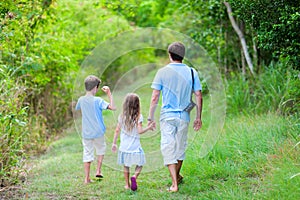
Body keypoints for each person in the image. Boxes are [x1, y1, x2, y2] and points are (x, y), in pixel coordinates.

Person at [148, 42, 203, 192]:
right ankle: (176, 177)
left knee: (168, 147)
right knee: (180, 148)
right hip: (184, 116)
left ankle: (174, 183)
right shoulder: (192, 72)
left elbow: (155, 97)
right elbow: (198, 95)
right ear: (183, 56)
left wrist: (150, 117)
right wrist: (198, 117)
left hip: (167, 116)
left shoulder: (162, 72)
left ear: (169, 55)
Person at [75, 75, 116, 184]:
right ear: (95, 88)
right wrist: (109, 94)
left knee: (87, 153)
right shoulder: (98, 100)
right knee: (101, 149)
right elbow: (113, 107)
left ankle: (87, 178)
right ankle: (98, 170)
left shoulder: (81, 100)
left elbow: (77, 108)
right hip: (98, 132)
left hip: (86, 133)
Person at [112, 93, 154, 191]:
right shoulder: (139, 117)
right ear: (137, 105)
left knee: (126, 166)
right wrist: (148, 127)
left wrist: (114, 143)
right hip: (135, 147)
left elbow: (117, 130)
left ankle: (127, 185)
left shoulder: (121, 117)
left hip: (124, 147)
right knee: (140, 163)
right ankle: (134, 176)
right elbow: (140, 131)